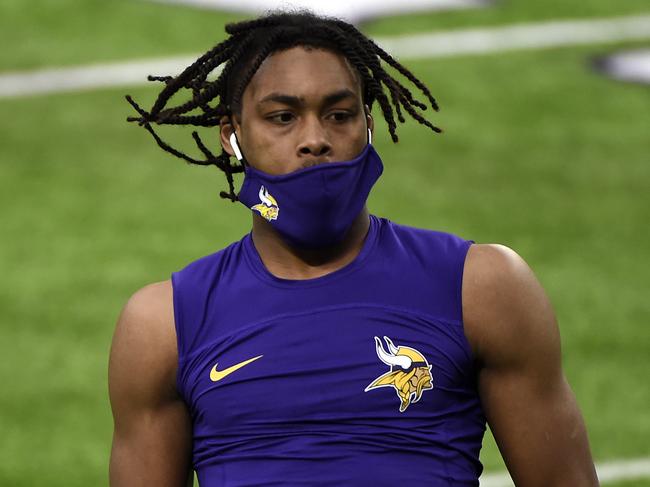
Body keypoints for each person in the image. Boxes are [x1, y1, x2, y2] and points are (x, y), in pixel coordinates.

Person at [109, 10, 599, 487]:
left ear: (367, 125)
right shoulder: (164, 325)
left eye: (339, 115)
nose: (315, 140)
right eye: (282, 117)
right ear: (231, 134)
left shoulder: (482, 287)